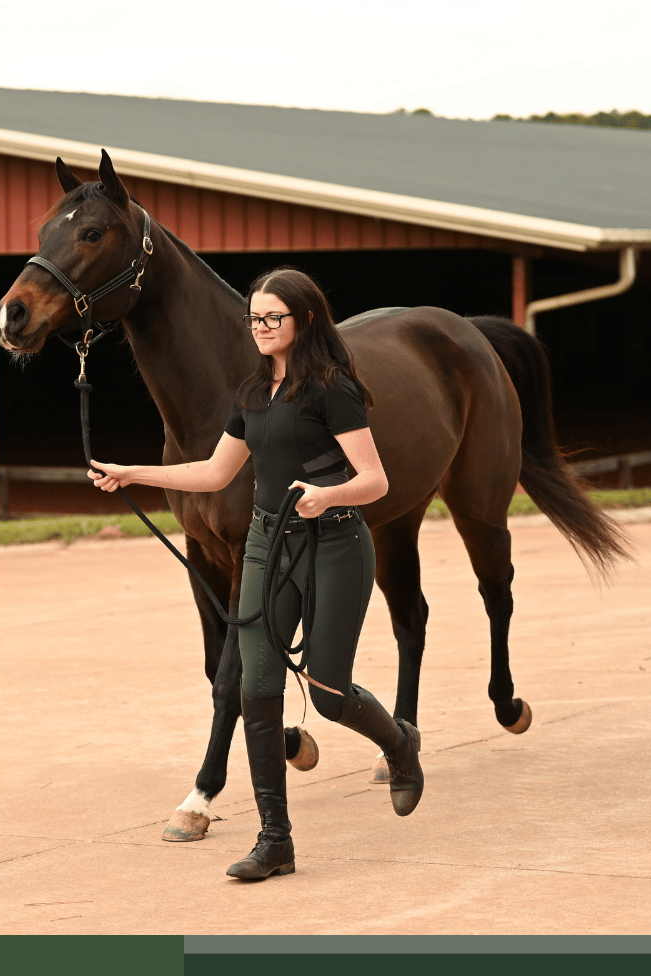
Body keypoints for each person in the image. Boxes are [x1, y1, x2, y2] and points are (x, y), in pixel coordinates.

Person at [88, 267, 423, 881]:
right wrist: (133, 473)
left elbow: (376, 481)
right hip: (270, 542)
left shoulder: (333, 389)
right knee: (257, 689)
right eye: (255, 319)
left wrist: (327, 496)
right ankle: (276, 842)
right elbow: (214, 474)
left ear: (304, 322)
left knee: (327, 693)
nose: (261, 328)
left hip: (335, 542)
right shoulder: (252, 394)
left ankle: (399, 745)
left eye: (273, 318)